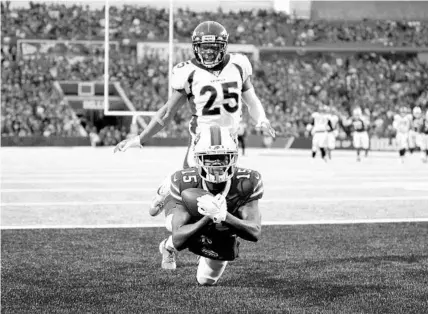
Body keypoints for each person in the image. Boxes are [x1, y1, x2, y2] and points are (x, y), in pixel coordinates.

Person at [114, 21, 274, 215]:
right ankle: (166, 191)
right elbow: (167, 112)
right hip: (202, 137)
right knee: (189, 181)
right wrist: (141, 139)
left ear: (223, 47)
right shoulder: (188, 71)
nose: (207, 53)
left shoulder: (238, 64)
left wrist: (262, 120)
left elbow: (251, 100)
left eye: (212, 48)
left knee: (224, 187)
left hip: (230, 138)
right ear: (196, 48)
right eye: (203, 48)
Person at [159, 125, 263, 285]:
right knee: (171, 224)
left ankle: (212, 238)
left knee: (205, 280)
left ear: (233, 158)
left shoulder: (247, 181)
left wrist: (223, 216)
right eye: (209, 158)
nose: (216, 165)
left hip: (223, 227)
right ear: (198, 159)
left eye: (222, 157)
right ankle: (167, 245)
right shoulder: (185, 182)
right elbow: (179, 238)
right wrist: (208, 216)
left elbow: (254, 232)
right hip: (194, 215)